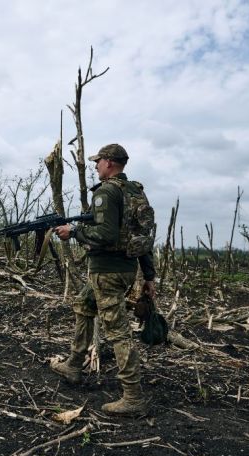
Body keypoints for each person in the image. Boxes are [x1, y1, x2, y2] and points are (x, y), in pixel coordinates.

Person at [51, 143, 156, 416]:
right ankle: (74, 365)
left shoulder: (107, 192)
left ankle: (133, 397)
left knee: (118, 331)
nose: (95, 165)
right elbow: (142, 237)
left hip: (107, 271)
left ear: (109, 163)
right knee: (84, 305)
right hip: (122, 269)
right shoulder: (134, 191)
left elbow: (107, 236)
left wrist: (74, 232)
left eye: (98, 161)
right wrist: (149, 276)